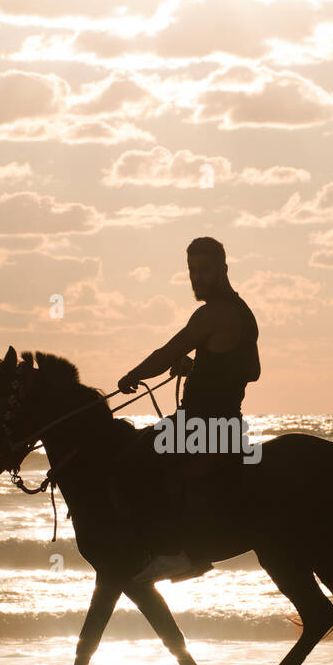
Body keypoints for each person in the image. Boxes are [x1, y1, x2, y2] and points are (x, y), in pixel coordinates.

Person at [117, 236, 260, 581]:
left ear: (223, 269)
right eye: (192, 271)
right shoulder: (243, 313)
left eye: (205, 270)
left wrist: (133, 374)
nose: (197, 278)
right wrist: (198, 367)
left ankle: (173, 551)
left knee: (133, 459)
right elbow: (251, 372)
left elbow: (164, 354)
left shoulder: (212, 314)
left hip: (201, 425)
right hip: (228, 426)